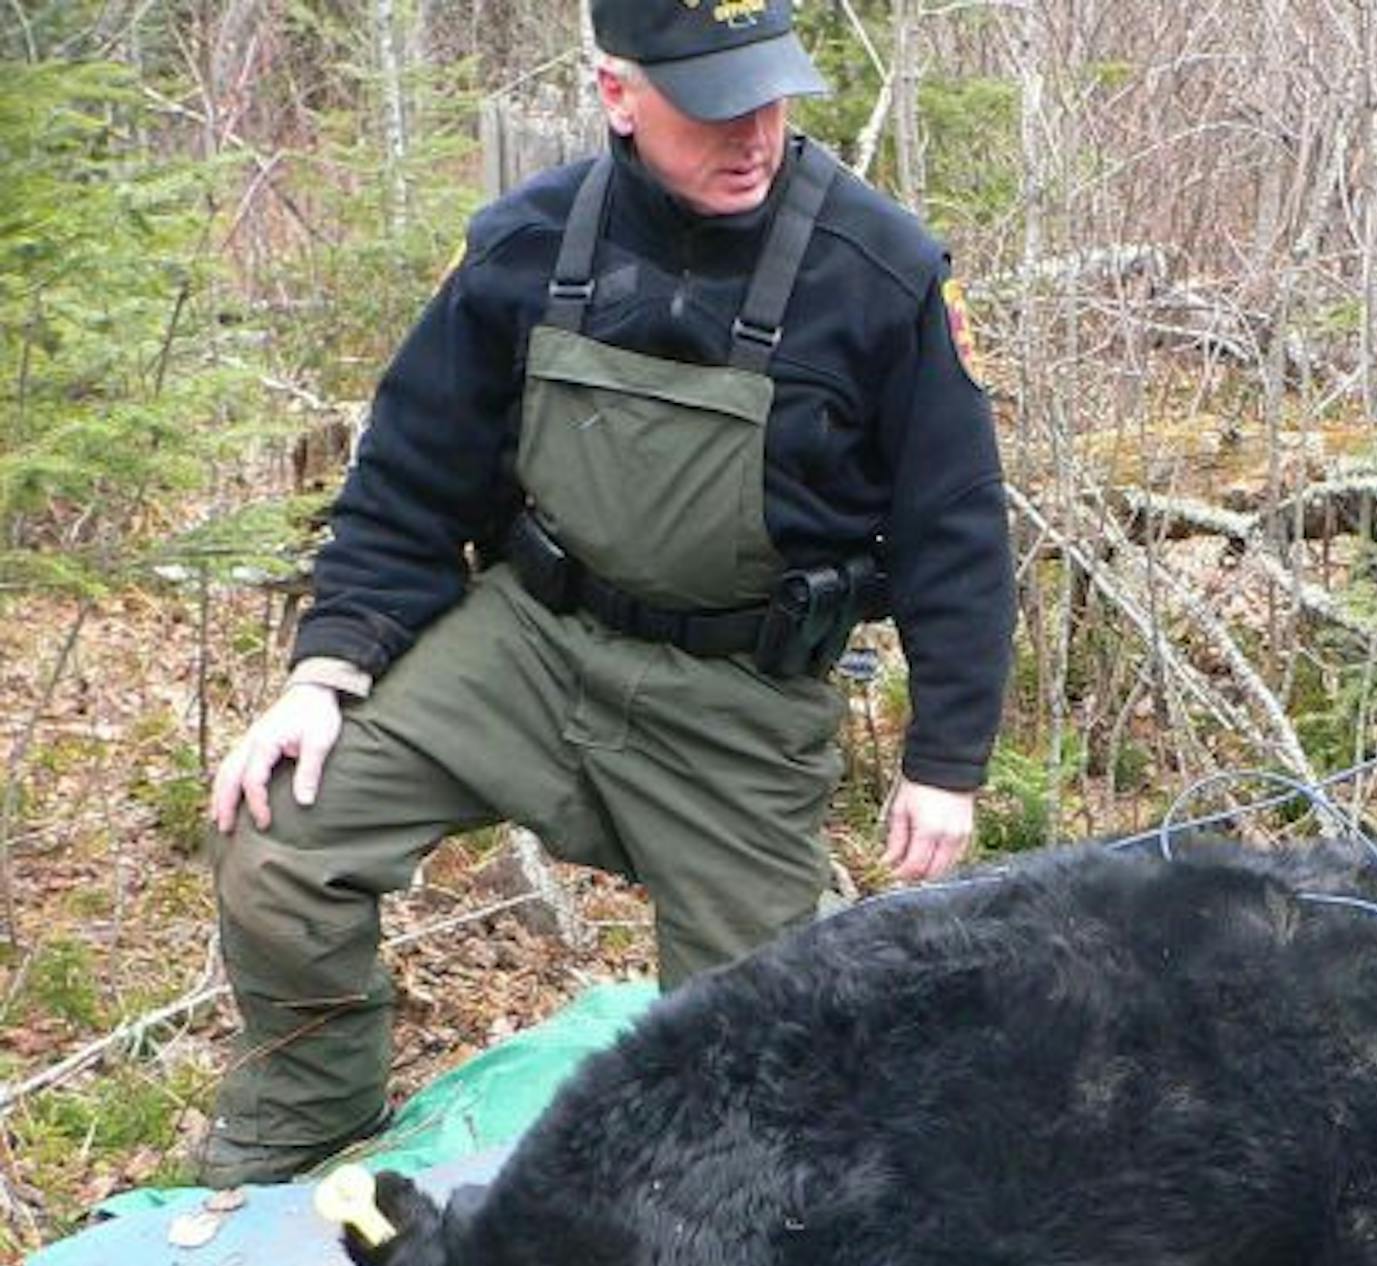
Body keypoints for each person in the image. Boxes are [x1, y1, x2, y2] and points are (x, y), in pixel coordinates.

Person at [200, 0, 1015, 1188]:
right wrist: (327, 672)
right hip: (528, 647)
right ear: (618, 94)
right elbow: (411, 479)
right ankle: (302, 1142)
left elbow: (956, 535)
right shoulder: (521, 247)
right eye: (711, 105)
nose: (753, 134)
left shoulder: (878, 273)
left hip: (739, 703)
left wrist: (946, 763)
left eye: (771, 98)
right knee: (279, 837)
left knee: (753, 1068)